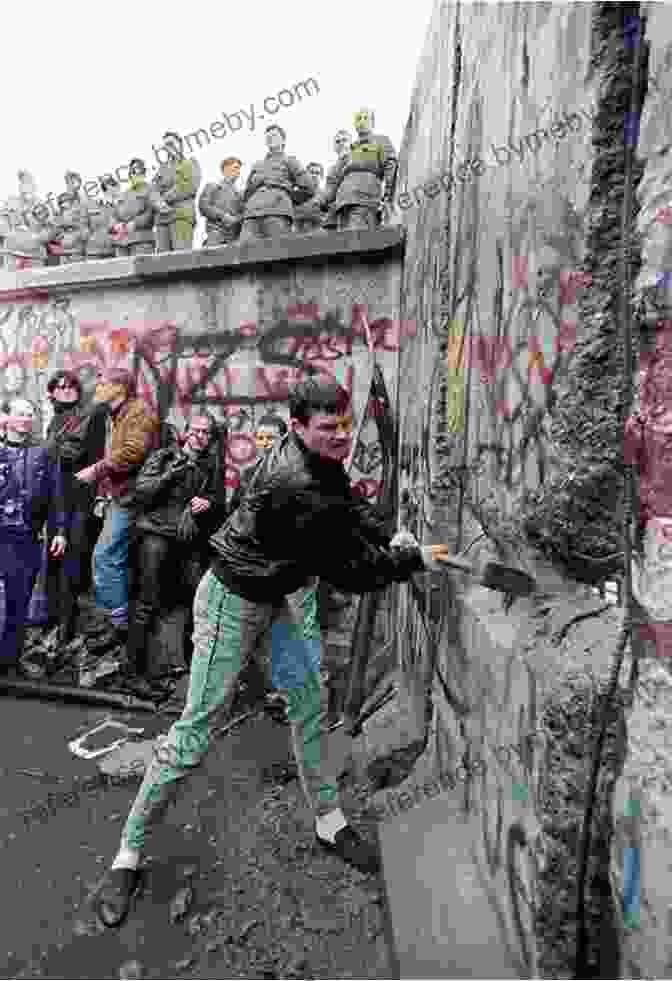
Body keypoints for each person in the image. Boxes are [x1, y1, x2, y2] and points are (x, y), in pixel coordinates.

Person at [94, 377, 453, 927]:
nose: (340, 437)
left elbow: (346, 510)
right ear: (297, 428)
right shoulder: (293, 482)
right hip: (231, 601)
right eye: (327, 428)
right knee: (195, 732)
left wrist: (388, 534)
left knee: (309, 701)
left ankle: (328, 820)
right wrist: (409, 559)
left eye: (343, 424)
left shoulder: (317, 461)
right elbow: (352, 571)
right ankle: (127, 852)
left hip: (274, 592)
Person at [125, 414, 227, 696]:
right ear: (185, 433)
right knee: (147, 604)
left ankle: (186, 670)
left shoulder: (211, 466)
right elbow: (142, 491)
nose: (200, 436)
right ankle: (134, 674)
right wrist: (172, 473)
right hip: (156, 536)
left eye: (206, 432)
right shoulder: (164, 456)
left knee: (199, 604)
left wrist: (209, 502)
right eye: (195, 430)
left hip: (188, 542)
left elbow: (220, 502)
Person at [76, 370, 159, 640]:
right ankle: (118, 618)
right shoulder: (115, 413)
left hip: (131, 498)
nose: (98, 388)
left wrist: (95, 471)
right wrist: (103, 495)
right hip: (118, 496)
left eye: (103, 384)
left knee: (105, 556)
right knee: (116, 558)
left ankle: (119, 622)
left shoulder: (139, 412)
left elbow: (132, 453)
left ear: (120, 388)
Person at [0, 398, 66, 673]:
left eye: (30, 415)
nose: (26, 419)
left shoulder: (44, 451)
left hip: (24, 537)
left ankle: (7, 662)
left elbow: (56, 494)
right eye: (20, 414)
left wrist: (59, 530)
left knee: (19, 600)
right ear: (6, 418)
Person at [43, 370, 107, 644]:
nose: (67, 389)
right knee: (55, 561)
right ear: (52, 393)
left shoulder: (86, 415)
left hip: (79, 499)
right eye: (61, 386)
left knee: (71, 561)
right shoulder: (56, 420)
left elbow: (72, 453)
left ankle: (65, 628)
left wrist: (49, 450)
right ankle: (54, 621)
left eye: (71, 386)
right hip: (57, 497)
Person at [320, 108, 397, 231]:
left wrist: (387, 196)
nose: (362, 121)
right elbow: (334, 180)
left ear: (372, 123)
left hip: (365, 199)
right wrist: (323, 200)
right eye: (358, 118)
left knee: (358, 239)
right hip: (343, 203)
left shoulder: (380, 141)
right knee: (343, 243)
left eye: (365, 118)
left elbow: (390, 165)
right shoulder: (350, 150)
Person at [240, 125, 314, 241]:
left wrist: (285, 196)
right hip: (252, 214)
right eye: (267, 137)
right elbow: (246, 194)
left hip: (277, 212)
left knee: (276, 252)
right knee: (245, 253)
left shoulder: (290, 161)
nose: (270, 138)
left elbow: (309, 188)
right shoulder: (257, 165)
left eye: (274, 136)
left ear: (283, 140)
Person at [152, 133, 202, 252]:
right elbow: (153, 190)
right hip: (161, 219)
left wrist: (164, 198)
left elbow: (189, 186)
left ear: (179, 144)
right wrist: (157, 201)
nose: (169, 148)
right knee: (161, 262)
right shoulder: (162, 169)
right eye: (166, 146)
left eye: (171, 144)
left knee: (181, 258)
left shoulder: (189, 163)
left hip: (180, 216)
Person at [111, 159, 157, 257]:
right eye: (132, 172)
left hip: (141, 240)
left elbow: (150, 213)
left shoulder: (151, 190)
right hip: (122, 242)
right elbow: (115, 214)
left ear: (144, 173)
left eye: (138, 171)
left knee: (142, 270)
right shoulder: (125, 194)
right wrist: (115, 225)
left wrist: (135, 223)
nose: (135, 175)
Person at [199, 157, 243, 246]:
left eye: (239, 169)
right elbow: (203, 206)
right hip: (216, 234)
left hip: (233, 237)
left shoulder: (240, 194)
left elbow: (243, 213)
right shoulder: (212, 186)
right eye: (235, 168)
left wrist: (236, 219)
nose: (238, 172)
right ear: (225, 169)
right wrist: (222, 216)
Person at [293, 162, 326, 234]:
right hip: (299, 231)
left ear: (322, 177)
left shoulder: (326, 195)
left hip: (318, 232)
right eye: (311, 172)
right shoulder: (297, 193)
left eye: (317, 173)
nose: (314, 175)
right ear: (305, 175)